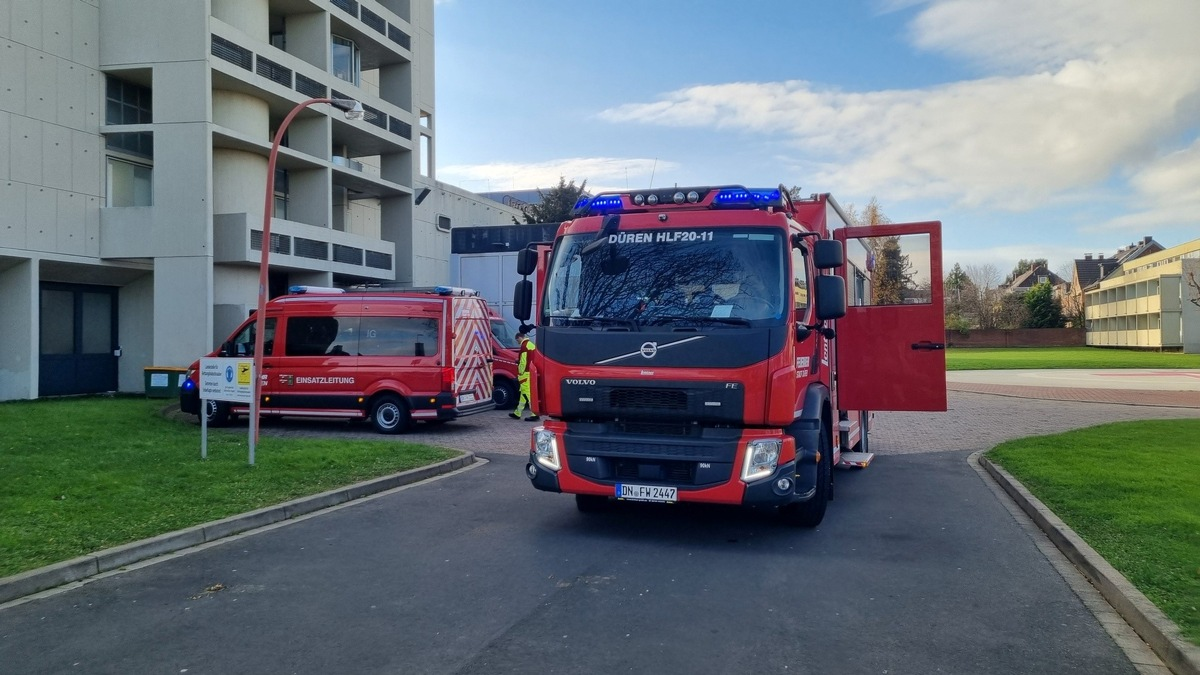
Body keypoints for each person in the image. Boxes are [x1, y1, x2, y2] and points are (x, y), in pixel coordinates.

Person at [510, 328, 540, 421]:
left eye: (517, 340)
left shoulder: (524, 346)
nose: (517, 342)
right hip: (530, 371)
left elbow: (523, 361)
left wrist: (520, 372)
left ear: (520, 337)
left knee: (527, 393)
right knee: (523, 394)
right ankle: (517, 413)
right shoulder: (531, 344)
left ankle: (534, 414)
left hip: (525, 373)